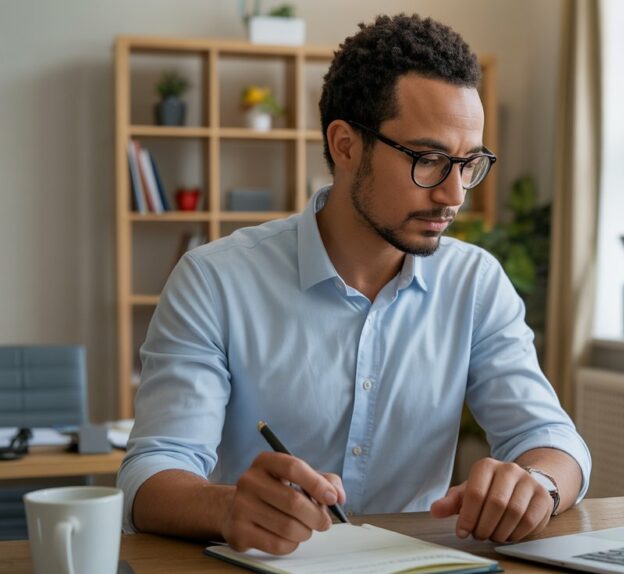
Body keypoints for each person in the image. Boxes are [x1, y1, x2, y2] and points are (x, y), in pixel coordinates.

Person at [117, 14, 591, 556]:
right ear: (345, 145)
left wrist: (539, 485)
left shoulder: (475, 282)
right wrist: (226, 507)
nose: (454, 195)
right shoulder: (214, 281)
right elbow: (150, 476)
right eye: (430, 160)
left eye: (468, 163)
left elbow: (555, 442)